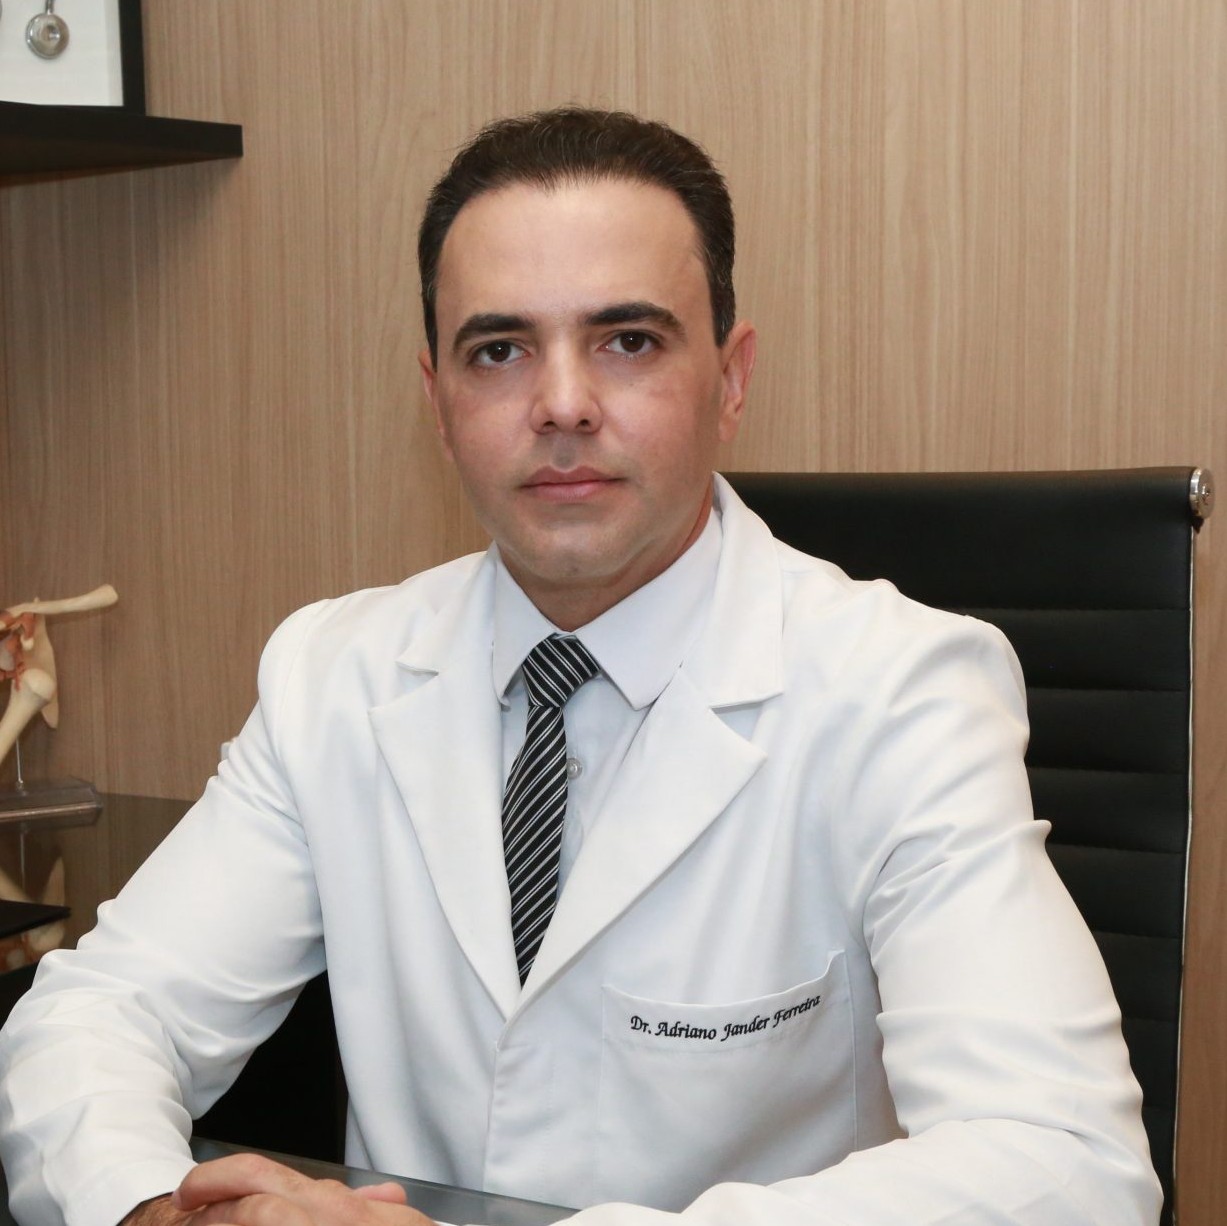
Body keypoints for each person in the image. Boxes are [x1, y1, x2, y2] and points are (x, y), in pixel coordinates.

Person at [0, 107, 1160, 1226]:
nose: (561, 404)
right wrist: (155, 1207)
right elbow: (103, 1010)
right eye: (499, 350)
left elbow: (1069, 1167)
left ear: (732, 378)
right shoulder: (334, 676)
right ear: (438, 402)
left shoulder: (902, 692)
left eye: (629, 340)